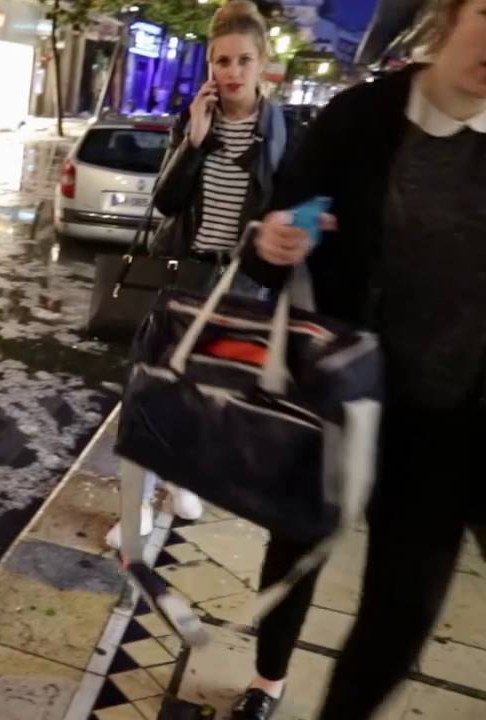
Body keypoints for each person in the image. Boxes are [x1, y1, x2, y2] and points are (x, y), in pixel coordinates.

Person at [245, 1, 486, 717]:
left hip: (449, 428)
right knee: (296, 549)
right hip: (337, 394)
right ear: (450, 13)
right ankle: (267, 677)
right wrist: (276, 237)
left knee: (399, 614)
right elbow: (279, 224)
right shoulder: (362, 118)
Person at [106, 1, 291, 564]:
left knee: (212, 398)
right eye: (221, 61)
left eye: (242, 60)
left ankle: (182, 479)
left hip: (243, 286)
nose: (231, 72)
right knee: (153, 393)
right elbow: (166, 202)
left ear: (262, 64)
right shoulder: (194, 121)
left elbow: (290, 206)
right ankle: (136, 510)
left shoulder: (282, 130)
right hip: (182, 272)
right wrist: (194, 138)